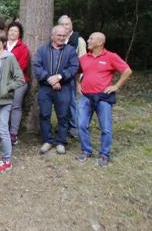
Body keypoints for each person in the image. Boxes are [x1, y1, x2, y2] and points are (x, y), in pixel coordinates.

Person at [75, 32, 132, 167]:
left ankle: (104, 155)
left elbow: (127, 71)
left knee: (106, 128)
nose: (88, 41)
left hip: (103, 98)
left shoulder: (111, 57)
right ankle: (86, 151)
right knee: (81, 125)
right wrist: (78, 84)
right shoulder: (84, 58)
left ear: (100, 42)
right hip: (86, 97)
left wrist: (116, 86)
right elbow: (76, 71)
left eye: (91, 39)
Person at [33, 25, 79, 155]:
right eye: (59, 35)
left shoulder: (70, 51)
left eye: (64, 36)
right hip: (45, 88)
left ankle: (61, 142)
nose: (62, 38)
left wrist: (59, 77)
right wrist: (49, 79)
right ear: (52, 36)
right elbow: (37, 66)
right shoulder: (42, 50)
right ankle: (47, 140)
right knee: (44, 114)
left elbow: (73, 67)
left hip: (63, 88)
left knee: (63, 115)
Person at [0, 31, 25, 173]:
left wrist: (6, 88)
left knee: (3, 129)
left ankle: (7, 160)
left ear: (3, 42)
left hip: (3, 99)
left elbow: (20, 79)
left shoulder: (9, 58)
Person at [58, 14, 86, 138]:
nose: (64, 26)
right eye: (62, 24)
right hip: (60, 77)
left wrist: (79, 80)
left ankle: (74, 127)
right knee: (62, 103)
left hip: (74, 77)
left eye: (67, 24)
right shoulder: (58, 38)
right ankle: (65, 125)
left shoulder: (78, 40)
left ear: (71, 25)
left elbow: (83, 60)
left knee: (73, 103)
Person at [5, 22, 30, 145]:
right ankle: (2, 132)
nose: (13, 33)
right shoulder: (3, 45)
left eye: (16, 31)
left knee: (15, 106)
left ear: (19, 34)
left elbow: (22, 65)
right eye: (11, 30)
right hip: (2, 81)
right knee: (3, 106)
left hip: (19, 81)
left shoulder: (23, 47)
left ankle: (13, 134)